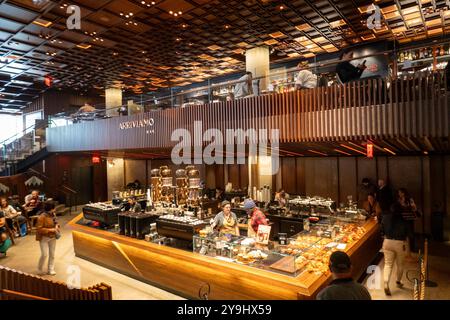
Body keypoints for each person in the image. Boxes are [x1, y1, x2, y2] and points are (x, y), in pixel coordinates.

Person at [381, 205, 408, 296]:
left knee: (388, 264)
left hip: (387, 242)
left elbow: (381, 230)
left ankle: (385, 283)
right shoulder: (403, 219)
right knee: (400, 264)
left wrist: (385, 237)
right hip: (399, 243)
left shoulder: (385, 218)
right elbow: (408, 232)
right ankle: (398, 281)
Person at [391, 188, 419, 261]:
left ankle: (408, 254)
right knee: (402, 237)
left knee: (408, 236)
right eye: (399, 193)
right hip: (401, 220)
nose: (399, 194)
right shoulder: (398, 200)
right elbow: (395, 209)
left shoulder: (409, 200)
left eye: (400, 193)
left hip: (408, 220)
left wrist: (411, 207)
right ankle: (404, 254)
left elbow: (414, 208)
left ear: (404, 193)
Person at [36, 201, 60, 276]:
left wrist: (57, 226)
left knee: (52, 254)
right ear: (50, 209)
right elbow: (39, 229)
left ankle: (51, 269)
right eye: (54, 208)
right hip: (44, 238)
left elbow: (56, 223)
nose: (55, 209)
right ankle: (39, 269)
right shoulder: (41, 217)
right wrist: (51, 230)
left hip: (52, 237)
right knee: (44, 254)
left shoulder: (53, 214)